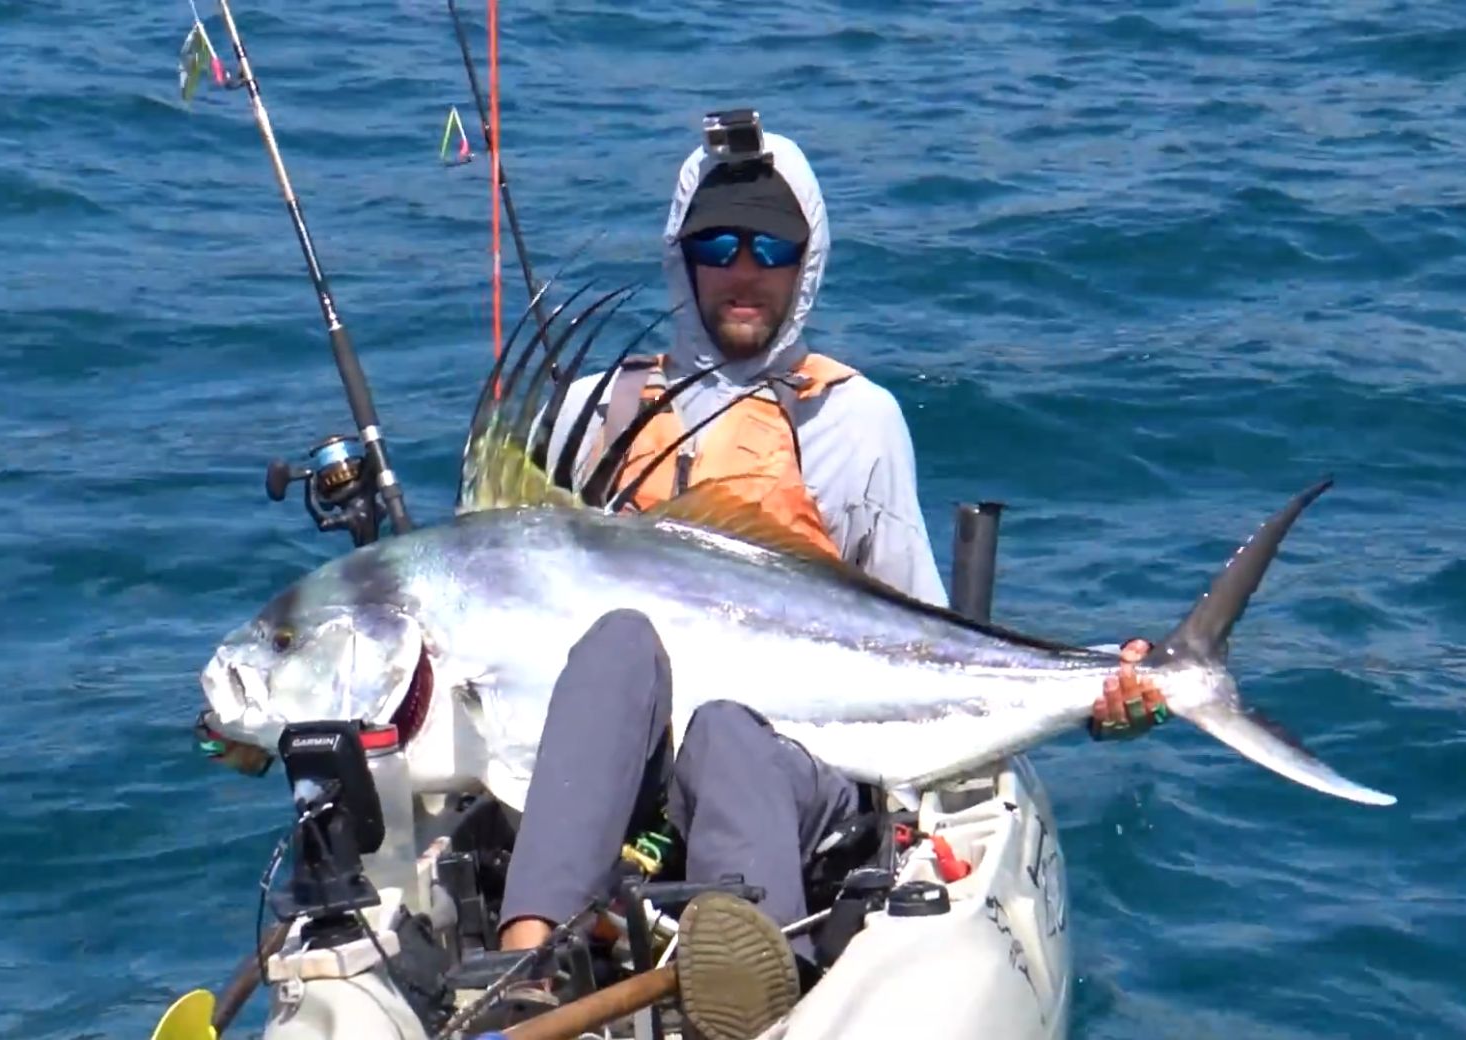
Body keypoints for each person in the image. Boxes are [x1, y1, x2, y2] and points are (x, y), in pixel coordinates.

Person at [491, 123, 1169, 1034]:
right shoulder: (592, 410)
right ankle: (520, 964)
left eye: (772, 248)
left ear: (806, 261)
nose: (743, 271)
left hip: (796, 749)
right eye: (716, 245)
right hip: (619, 759)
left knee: (734, 733)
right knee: (617, 640)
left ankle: (756, 995)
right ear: (681, 256)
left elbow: (925, 642)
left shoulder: (857, 422)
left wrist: (1095, 695)